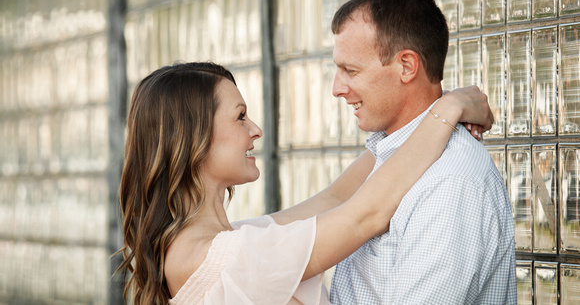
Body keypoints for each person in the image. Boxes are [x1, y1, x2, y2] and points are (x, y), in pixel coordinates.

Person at [116, 61, 493, 305]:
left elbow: (336, 197)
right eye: (240, 117)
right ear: (192, 137)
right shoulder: (227, 257)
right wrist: (447, 110)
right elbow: (366, 214)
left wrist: (417, 110)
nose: (255, 130)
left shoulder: (219, 247)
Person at [328, 0, 516, 304]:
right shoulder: (388, 157)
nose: (336, 88)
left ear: (406, 66)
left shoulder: (451, 182)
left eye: (351, 70)